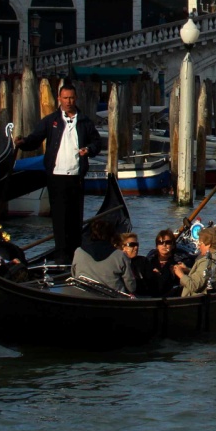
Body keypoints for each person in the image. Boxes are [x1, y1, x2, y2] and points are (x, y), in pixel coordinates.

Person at [15, 83, 102, 263]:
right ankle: (61, 257)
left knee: (75, 219)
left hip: (76, 177)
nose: (68, 101)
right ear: (59, 99)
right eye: (65, 98)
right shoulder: (51, 120)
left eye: (71, 98)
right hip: (56, 177)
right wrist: (22, 142)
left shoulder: (85, 121)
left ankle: (75, 256)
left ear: (75, 99)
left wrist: (89, 149)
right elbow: (35, 139)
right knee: (59, 220)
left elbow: (97, 143)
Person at [71, 218, 136, 294]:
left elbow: (74, 274)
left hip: (83, 294)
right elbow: (131, 287)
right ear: (112, 235)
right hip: (113, 298)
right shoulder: (120, 255)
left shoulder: (79, 251)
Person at [173, 226, 216, 297]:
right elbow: (204, 276)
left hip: (194, 302)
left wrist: (180, 274)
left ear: (208, 244)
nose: (198, 246)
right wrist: (188, 270)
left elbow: (194, 286)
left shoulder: (207, 262)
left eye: (200, 244)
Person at [145, 229, 184, 296]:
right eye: (160, 242)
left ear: (173, 245)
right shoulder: (149, 261)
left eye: (167, 242)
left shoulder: (178, 262)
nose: (164, 245)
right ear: (157, 246)